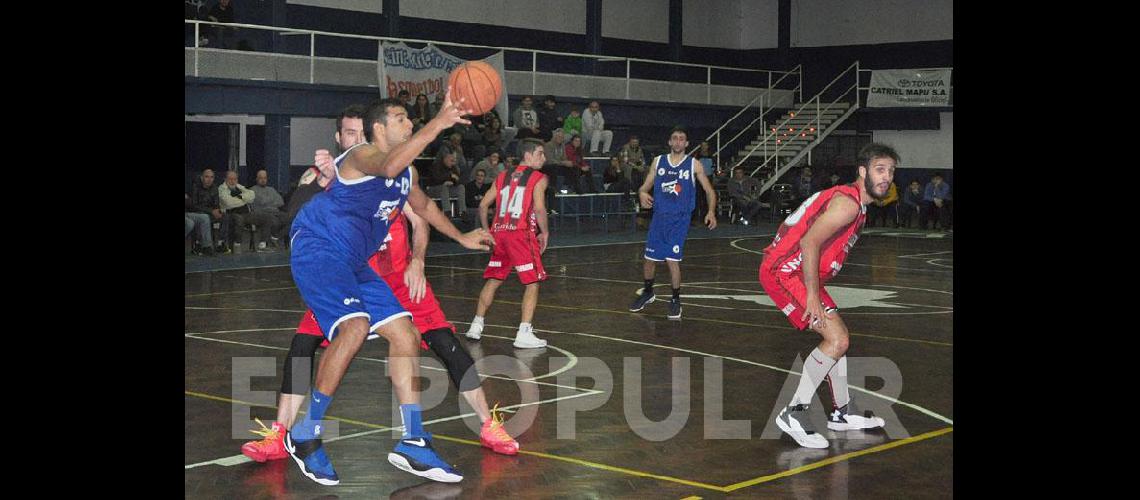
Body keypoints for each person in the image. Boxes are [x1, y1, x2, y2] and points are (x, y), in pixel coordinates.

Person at [285, 93, 492, 485]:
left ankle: (413, 439)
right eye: (401, 119)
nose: (409, 124)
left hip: (352, 260)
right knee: (356, 326)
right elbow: (390, 163)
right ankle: (305, 433)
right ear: (378, 128)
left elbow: (425, 208)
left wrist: (462, 237)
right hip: (317, 246)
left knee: (406, 334)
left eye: (411, 120)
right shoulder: (361, 156)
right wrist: (440, 122)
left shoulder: (406, 174)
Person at [240, 203, 519, 467]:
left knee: (446, 342)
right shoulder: (350, 184)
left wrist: (418, 262)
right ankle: (279, 435)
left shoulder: (398, 179)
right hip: (355, 282)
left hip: (401, 282)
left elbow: (421, 220)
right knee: (302, 343)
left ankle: (488, 425)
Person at [759, 143, 896, 449]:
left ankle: (841, 412)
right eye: (880, 169)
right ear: (862, 172)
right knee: (837, 339)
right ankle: (793, 412)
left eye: (890, 171)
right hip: (784, 272)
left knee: (839, 340)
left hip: (798, 272)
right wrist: (811, 295)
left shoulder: (856, 205)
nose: (887, 177)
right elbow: (809, 243)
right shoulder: (847, 204)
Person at [462, 139, 550, 349]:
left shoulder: (502, 176)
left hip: (500, 234)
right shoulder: (539, 178)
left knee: (493, 280)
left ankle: (476, 325)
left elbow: (483, 205)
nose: (544, 158)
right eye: (540, 153)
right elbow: (538, 209)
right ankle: (524, 331)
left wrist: (486, 231)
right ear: (527, 156)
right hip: (520, 235)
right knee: (532, 282)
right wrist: (544, 232)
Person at [628, 127, 718, 319]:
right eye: (674, 138)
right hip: (659, 218)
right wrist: (642, 193)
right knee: (649, 260)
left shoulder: (694, 164)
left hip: (679, 220)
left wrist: (711, 211)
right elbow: (645, 186)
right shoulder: (658, 161)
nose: (677, 142)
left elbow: (710, 191)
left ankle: (676, 299)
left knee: (672, 260)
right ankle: (648, 292)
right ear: (670, 142)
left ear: (686, 144)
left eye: (681, 139)